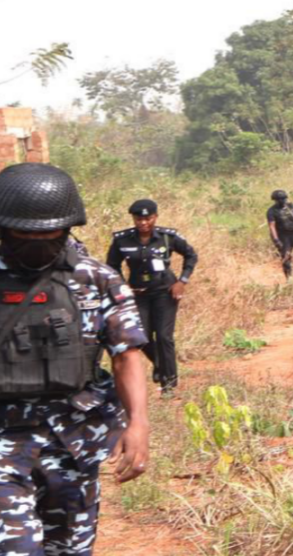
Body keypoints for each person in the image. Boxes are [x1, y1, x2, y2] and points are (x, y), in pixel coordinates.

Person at [0, 163, 150, 555]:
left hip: (73, 439)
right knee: (15, 547)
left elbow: (126, 354)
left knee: (69, 550)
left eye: (50, 234)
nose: (39, 243)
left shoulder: (96, 279)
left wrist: (138, 423)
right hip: (4, 440)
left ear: (68, 228)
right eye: (25, 235)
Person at [105, 199, 197, 398]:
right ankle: (160, 364)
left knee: (164, 337)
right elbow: (112, 265)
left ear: (155, 217)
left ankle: (168, 384)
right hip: (138, 294)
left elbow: (191, 255)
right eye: (139, 219)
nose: (143, 223)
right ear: (133, 219)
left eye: (148, 218)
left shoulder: (167, 237)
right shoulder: (122, 240)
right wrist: (122, 286)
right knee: (141, 337)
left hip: (165, 292)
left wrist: (182, 281)